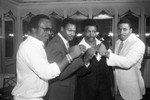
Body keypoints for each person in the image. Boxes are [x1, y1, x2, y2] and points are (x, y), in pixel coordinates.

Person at [11, 14, 84, 100]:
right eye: (45, 29)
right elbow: (47, 73)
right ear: (33, 29)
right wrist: (71, 56)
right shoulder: (30, 47)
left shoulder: (37, 46)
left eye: (50, 30)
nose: (49, 33)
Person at [98, 18, 145, 100]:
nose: (121, 32)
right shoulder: (118, 42)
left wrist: (106, 53)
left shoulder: (138, 43)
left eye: (125, 29)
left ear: (131, 30)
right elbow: (117, 60)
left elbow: (127, 62)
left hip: (132, 90)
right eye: (119, 29)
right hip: (118, 87)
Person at [45, 18, 86, 100]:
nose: (72, 34)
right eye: (69, 30)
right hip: (58, 92)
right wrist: (81, 58)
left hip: (64, 90)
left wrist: (76, 51)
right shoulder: (55, 44)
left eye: (74, 31)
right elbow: (60, 74)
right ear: (62, 29)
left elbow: (66, 60)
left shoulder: (64, 42)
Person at [74, 19, 112, 100]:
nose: (91, 34)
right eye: (88, 31)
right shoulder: (76, 48)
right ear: (83, 33)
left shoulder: (104, 45)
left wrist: (111, 87)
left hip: (104, 93)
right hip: (85, 93)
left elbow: (109, 69)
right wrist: (86, 59)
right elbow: (76, 73)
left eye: (94, 31)